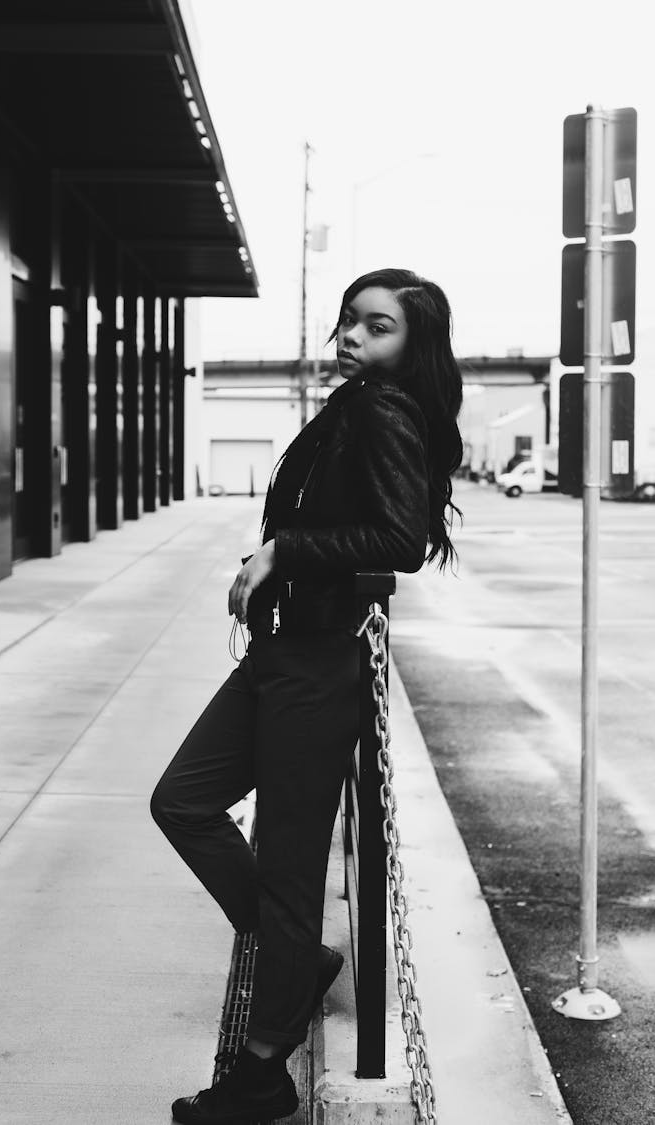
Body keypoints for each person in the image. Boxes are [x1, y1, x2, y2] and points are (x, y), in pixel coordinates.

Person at [150, 267, 464, 1125]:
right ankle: (301, 960)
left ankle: (260, 1077)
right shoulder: (354, 405)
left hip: (320, 663)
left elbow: (399, 538)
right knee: (183, 799)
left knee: (289, 870)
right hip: (283, 653)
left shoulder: (383, 408)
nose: (354, 337)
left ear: (414, 342)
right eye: (350, 322)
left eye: (378, 326)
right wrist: (275, 561)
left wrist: (284, 549)